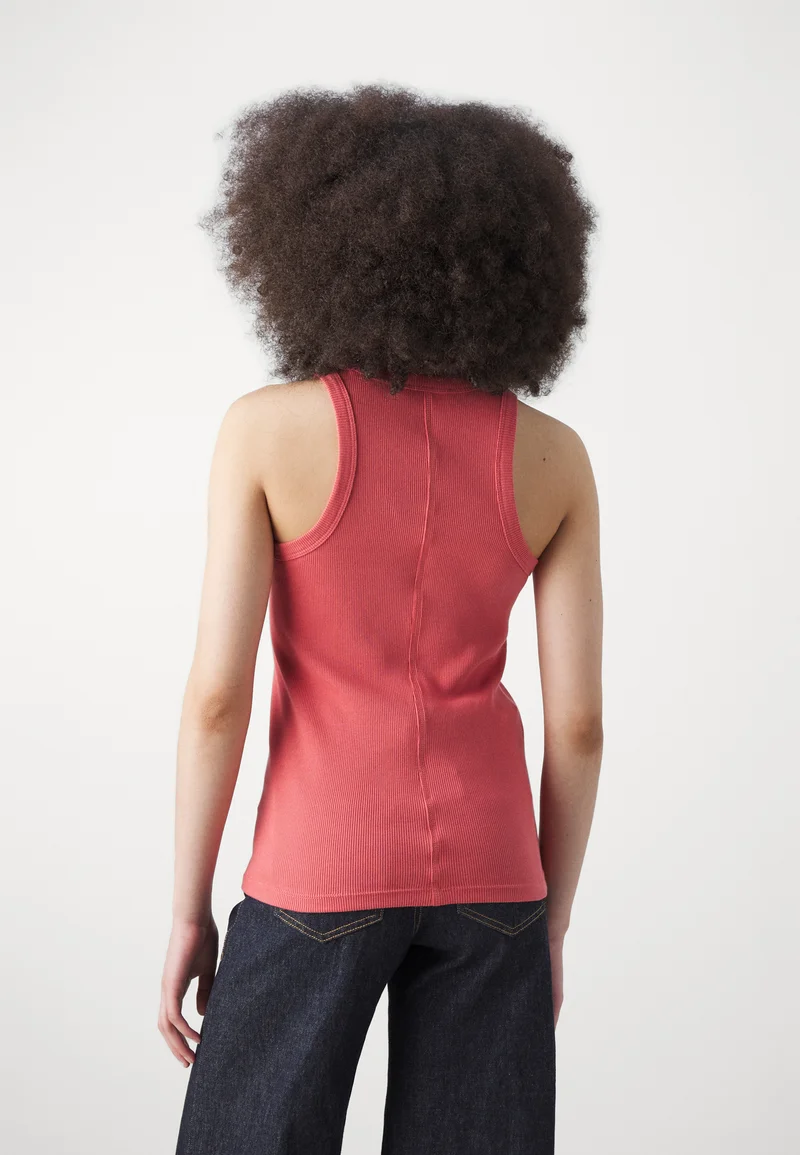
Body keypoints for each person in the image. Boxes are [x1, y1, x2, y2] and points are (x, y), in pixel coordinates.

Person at [159, 82, 603, 1155]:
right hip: (496, 870)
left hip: (319, 861)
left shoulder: (266, 433)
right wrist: (546, 920)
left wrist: (187, 907)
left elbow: (217, 697)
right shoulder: (554, 457)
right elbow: (581, 727)